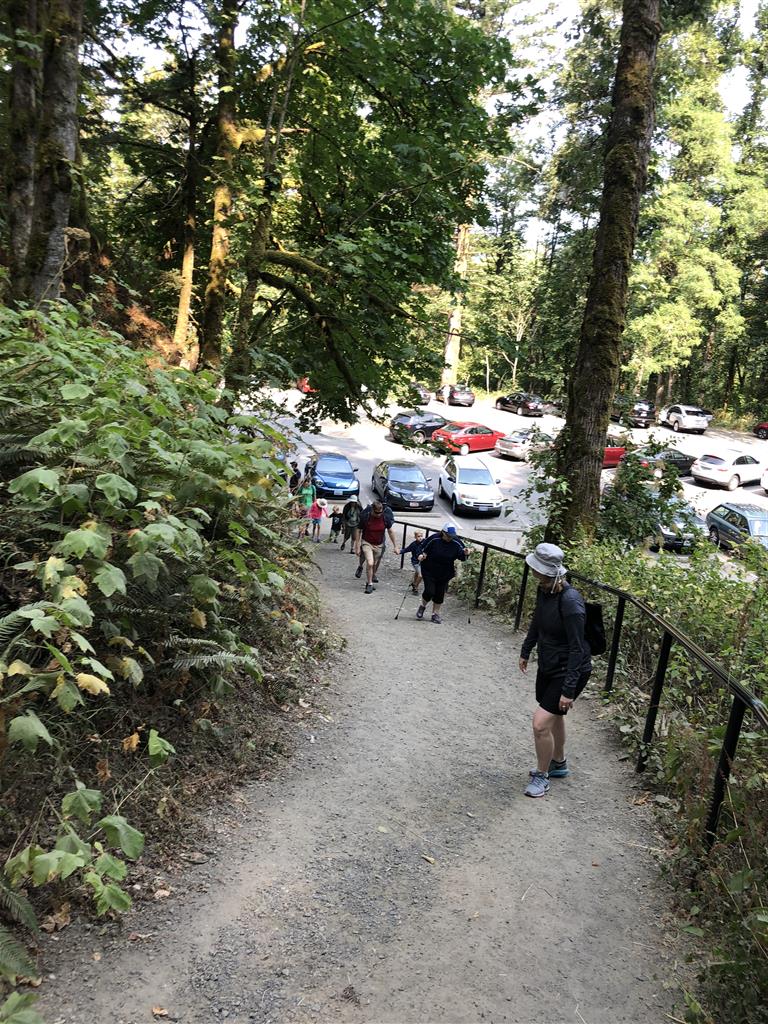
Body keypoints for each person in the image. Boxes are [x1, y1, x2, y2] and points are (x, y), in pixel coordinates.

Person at [518, 543, 592, 799]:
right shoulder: (545, 590)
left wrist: (569, 690)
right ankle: (558, 763)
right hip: (549, 663)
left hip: (568, 669)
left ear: (546, 571)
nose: (533, 571)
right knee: (555, 716)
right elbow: (538, 621)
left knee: (540, 724)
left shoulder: (571, 602)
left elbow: (577, 648)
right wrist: (526, 649)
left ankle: (542, 775)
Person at [415, 524, 466, 624]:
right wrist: (420, 555)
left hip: (445, 571)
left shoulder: (456, 542)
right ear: (443, 533)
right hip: (429, 569)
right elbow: (421, 547)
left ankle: (435, 614)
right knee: (429, 591)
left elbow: (462, 556)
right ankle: (422, 606)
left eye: (452, 536)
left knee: (440, 593)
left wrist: (466, 553)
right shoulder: (434, 539)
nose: (450, 538)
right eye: (448, 536)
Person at [354, 499, 399, 594]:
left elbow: (390, 531)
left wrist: (395, 546)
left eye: (380, 512)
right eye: (376, 512)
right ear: (372, 510)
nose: (378, 514)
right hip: (367, 542)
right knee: (370, 563)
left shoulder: (385, 518)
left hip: (379, 544)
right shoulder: (366, 517)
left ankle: (369, 581)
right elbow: (358, 530)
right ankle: (370, 584)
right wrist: (357, 545)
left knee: (374, 564)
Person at [296, 473, 316, 539]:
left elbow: (314, 497)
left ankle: (305, 530)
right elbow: (297, 496)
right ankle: (300, 531)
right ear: (304, 483)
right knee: (300, 519)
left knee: (308, 519)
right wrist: (297, 505)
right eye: (306, 483)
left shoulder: (312, 487)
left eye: (308, 483)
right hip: (302, 505)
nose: (307, 485)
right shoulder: (301, 488)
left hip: (309, 505)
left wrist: (315, 505)